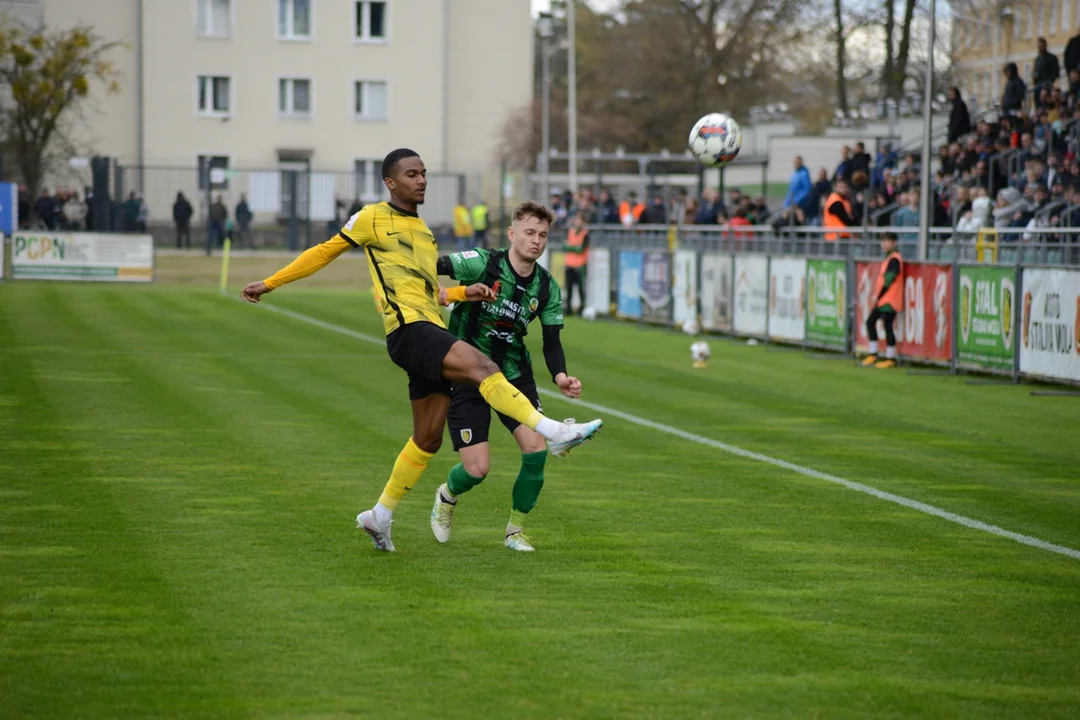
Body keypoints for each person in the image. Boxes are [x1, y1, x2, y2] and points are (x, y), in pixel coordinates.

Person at [239, 149, 603, 553]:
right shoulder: (371, 217)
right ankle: (555, 431)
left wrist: (468, 292)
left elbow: (432, 288)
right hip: (408, 330)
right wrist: (270, 282)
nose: (422, 180)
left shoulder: (425, 233)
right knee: (482, 365)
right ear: (391, 183)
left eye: (424, 173)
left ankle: (379, 516)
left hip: (429, 325)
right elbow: (324, 251)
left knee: (427, 439)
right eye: (412, 174)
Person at [429, 202, 580, 552]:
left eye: (543, 235)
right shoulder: (484, 262)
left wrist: (560, 376)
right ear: (512, 234)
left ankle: (515, 531)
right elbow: (434, 263)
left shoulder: (546, 288)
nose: (536, 241)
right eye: (529, 233)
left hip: (513, 373)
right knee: (478, 470)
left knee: (536, 448)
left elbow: (552, 340)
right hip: (467, 372)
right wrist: (439, 289)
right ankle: (447, 496)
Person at [862, 232, 903, 369]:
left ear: (894, 243)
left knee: (887, 325)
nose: (884, 244)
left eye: (887, 241)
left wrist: (878, 296)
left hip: (889, 299)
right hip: (884, 299)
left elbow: (889, 280)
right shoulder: (889, 258)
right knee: (871, 322)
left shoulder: (894, 259)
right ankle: (874, 354)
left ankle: (890, 357)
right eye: (883, 241)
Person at [562, 211, 589, 316]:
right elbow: (564, 246)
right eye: (577, 220)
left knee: (580, 289)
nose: (578, 222)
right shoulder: (570, 232)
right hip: (569, 263)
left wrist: (570, 247)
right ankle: (568, 309)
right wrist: (574, 248)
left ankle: (581, 309)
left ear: (583, 222)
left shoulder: (585, 234)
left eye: (580, 220)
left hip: (580, 265)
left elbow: (581, 249)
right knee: (568, 288)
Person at [822, 179, 856, 243]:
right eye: (841, 187)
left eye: (845, 187)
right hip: (837, 237)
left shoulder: (842, 200)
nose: (843, 189)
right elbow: (847, 220)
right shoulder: (836, 202)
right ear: (835, 187)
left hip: (839, 236)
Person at [1032, 37, 1061, 108]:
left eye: (1042, 46)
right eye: (1039, 46)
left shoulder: (1051, 58)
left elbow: (1055, 72)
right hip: (1038, 84)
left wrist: (1049, 82)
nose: (1040, 48)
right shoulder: (1037, 59)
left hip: (1047, 83)